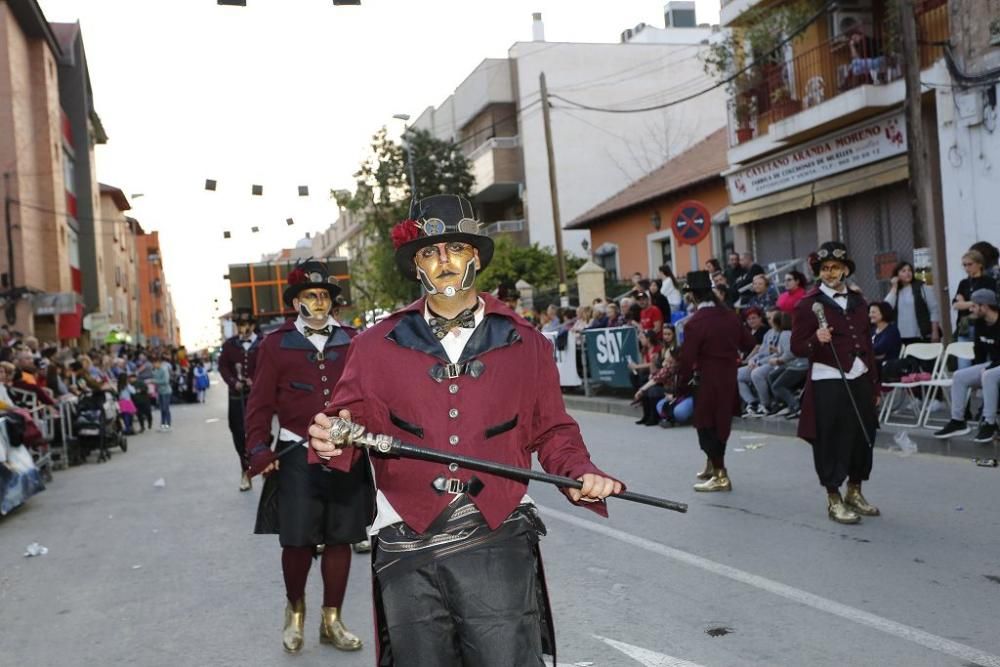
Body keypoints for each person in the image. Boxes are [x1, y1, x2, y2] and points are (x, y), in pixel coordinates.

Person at [307, 194, 622, 667]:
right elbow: (346, 421)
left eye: (456, 249)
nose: (445, 262)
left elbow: (553, 429)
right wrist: (332, 437)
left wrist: (580, 471)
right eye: (431, 252)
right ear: (418, 265)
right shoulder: (373, 346)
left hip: (496, 533)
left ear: (475, 256)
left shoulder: (526, 343)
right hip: (405, 541)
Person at [243, 258, 371, 655]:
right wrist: (260, 449)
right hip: (297, 452)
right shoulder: (275, 344)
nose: (318, 302)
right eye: (310, 295)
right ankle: (294, 611)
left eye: (324, 296)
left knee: (341, 538)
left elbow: (370, 395)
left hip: (345, 450)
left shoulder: (353, 339)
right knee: (296, 542)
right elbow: (259, 404)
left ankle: (331, 620)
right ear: (295, 301)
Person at [791, 241, 880, 525]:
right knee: (831, 438)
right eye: (825, 268)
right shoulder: (807, 305)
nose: (831, 273)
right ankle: (833, 497)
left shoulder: (859, 302)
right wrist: (816, 340)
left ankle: (855, 491)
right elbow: (796, 347)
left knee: (862, 436)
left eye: (837, 268)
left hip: (859, 375)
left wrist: (875, 385)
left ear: (845, 270)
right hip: (828, 378)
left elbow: (867, 344)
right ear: (819, 271)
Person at [675, 270, 756, 492]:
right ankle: (713, 465)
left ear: (693, 295)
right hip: (729, 377)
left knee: (706, 426)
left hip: (708, 379)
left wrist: (680, 385)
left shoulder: (695, 323)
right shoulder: (730, 316)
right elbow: (749, 344)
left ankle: (721, 475)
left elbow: (687, 359)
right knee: (721, 424)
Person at [932, 289, 1000, 443]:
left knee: (988, 374)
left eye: (974, 306)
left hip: (995, 367)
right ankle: (958, 421)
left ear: (985, 306)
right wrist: (978, 374)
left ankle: (990, 423)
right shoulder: (980, 324)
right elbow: (979, 353)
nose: (971, 309)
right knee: (959, 376)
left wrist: (986, 371)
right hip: (995, 365)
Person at [218, 308, 262, 492]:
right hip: (236, 397)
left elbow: (268, 366)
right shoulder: (230, 345)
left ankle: (262, 465)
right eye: (239, 325)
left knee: (261, 431)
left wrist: (256, 380)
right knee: (238, 433)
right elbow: (223, 366)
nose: (242, 328)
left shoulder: (263, 343)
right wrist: (233, 382)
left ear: (252, 325)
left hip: (258, 397)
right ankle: (245, 471)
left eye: (245, 324)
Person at [952, 250, 997, 366]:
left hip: (981, 324)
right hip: (965, 324)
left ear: (979, 264)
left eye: (970, 264)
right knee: (963, 363)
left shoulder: (988, 281)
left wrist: (965, 302)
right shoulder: (964, 283)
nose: (967, 268)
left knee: (985, 360)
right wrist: (973, 302)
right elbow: (956, 305)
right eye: (964, 265)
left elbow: (988, 303)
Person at [885, 261, 941, 344]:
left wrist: (935, 331)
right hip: (901, 336)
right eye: (903, 271)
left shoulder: (922, 287)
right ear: (897, 275)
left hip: (920, 335)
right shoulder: (895, 291)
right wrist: (894, 287)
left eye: (909, 270)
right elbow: (887, 307)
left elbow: (934, 310)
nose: (907, 273)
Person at [151, 356, 172, 431]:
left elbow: (166, 381)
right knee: (162, 409)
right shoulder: (155, 370)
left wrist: (154, 381)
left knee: (166, 408)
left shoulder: (164, 370)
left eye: (154, 363)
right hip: (160, 392)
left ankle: (168, 425)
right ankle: (163, 425)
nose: (153, 365)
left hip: (166, 392)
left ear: (158, 363)